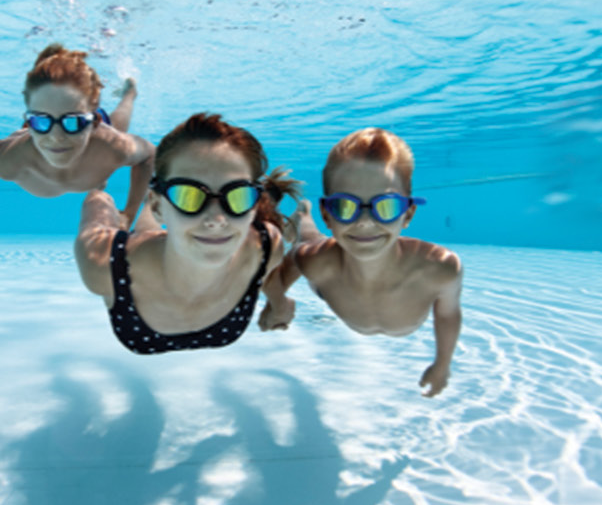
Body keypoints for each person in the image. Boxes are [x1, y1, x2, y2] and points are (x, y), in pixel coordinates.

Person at [260, 127, 462, 397]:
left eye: (386, 206)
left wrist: (443, 364)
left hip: (334, 263)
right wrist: (277, 304)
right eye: (345, 206)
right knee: (307, 241)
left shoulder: (440, 268)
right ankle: (304, 216)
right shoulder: (316, 262)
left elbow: (447, 314)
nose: (365, 222)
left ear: (408, 213)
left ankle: (307, 215)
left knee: (315, 243)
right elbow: (272, 274)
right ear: (328, 214)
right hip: (329, 280)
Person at [74, 113, 296, 354]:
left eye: (238, 196)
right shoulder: (103, 264)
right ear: (157, 207)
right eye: (188, 196)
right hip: (145, 247)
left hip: (165, 234)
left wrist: (279, 303)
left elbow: (266, 273)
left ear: (253, 207)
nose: (216, 220)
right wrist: (101, 197)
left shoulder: (266, 245)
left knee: (161, 231)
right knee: (100, 200)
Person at [0, 43, 152, 228]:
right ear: (28, 122)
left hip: (96, 142)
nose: (57, 136)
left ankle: (129, 93)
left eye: (73, 122)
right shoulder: (8, 159)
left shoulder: (111, 146)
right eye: (41, 121)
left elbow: (149, 155)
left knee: (118, 128)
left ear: (95, 121)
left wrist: (128, 214)